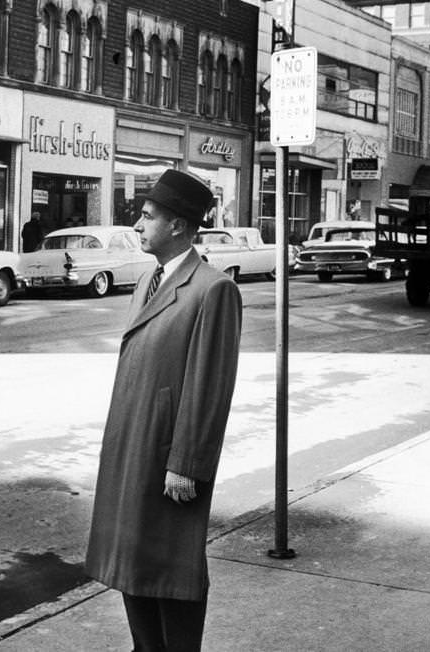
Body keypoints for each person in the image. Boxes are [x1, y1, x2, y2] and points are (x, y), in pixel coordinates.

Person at [85, 168, 243, 651]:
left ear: (178, 226)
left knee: (172, 566)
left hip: (167, 457)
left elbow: (209, 385)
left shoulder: (212, 289)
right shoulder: (150, 280)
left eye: (148, 215)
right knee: (134, 561)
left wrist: (185, 464)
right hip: (134, 446)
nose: (137, 224)